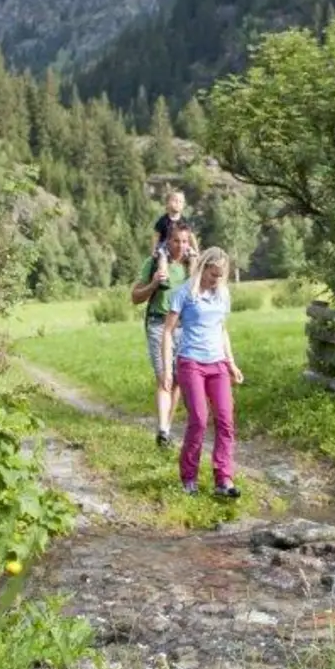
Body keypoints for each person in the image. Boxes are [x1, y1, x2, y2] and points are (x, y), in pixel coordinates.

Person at [159, 247, 243, 498]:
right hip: (191, 362)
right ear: (204, 268)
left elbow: (221, 329)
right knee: (199, 419)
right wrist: (166, 370)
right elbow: (167, 332)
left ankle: (223, 479)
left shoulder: (222, 294)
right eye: (213, 274)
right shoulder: (184, 292)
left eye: (220, 276)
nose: (216, 280)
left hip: (217, 364)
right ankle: (189, 478)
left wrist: (231, 362)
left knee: (226, 420)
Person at [131, 222, 195, 447]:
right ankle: (162, 428)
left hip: (183, 327)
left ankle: (166, 430)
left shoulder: (190, 266)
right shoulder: (154, 263)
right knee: (164, 378)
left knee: (177, 380)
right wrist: (153, 285)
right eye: (176, 241)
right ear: (168, 241)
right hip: (159, 324)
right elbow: (135, 297)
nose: (180, 245)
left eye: (185, 241)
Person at [150, 189, 189, 259]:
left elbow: (191, 236)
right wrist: (153, 250)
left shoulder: (184, 221)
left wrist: (196, 250)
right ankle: (162, 268)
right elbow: (156, 237)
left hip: (181, 246)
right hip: (165, 246)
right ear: (167, 203)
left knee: (192, 257)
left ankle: (192, 269)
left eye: (180, 201)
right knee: (162, 256)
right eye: (175, 200)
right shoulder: (163, 220)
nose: (178, 203)